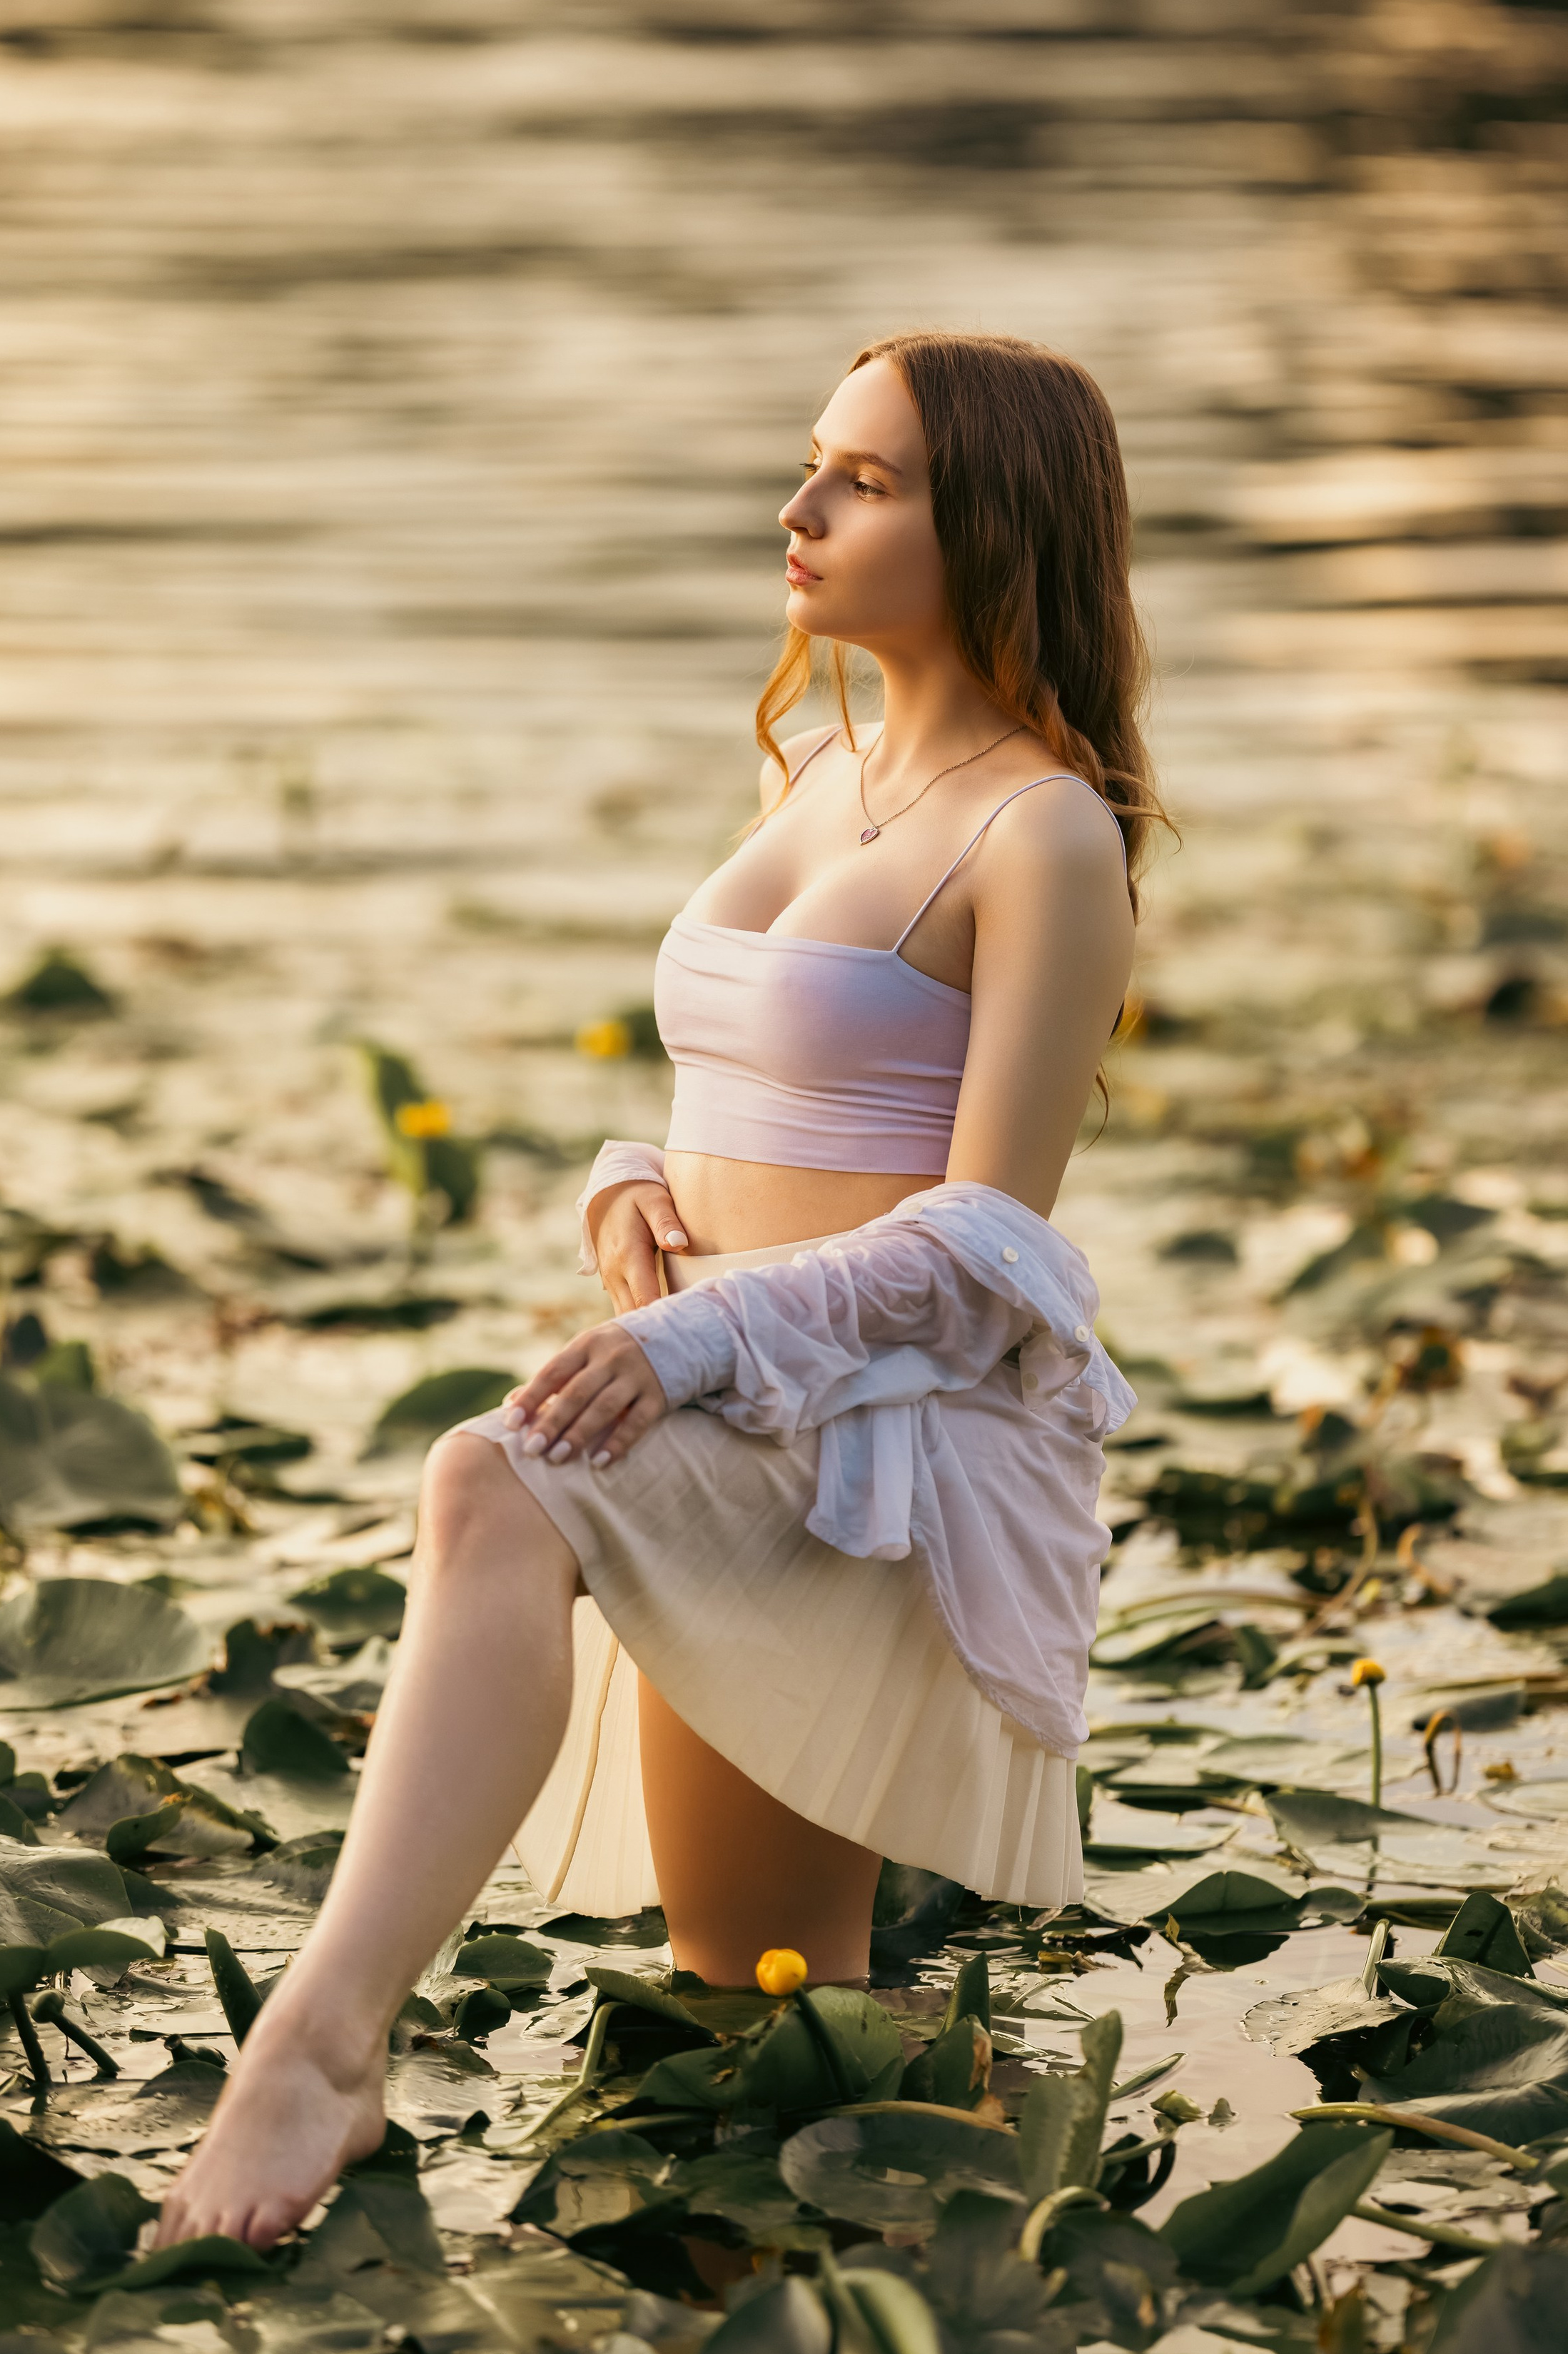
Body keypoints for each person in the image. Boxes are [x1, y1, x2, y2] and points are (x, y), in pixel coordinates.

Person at [156, 328, 1163, 2248]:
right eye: (811, 463)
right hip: (723, 1402)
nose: (798, 511)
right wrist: (637, 1197)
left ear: (995, 527)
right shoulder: (824, 767)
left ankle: (319, 2050)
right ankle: (897, 2290)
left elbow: (992, 1250)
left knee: (486, 1475)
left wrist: (686, 1331)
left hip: (867, 1447)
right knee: (765, 2008)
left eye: (861, 482)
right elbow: (756, 1086)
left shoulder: (1046, 830)